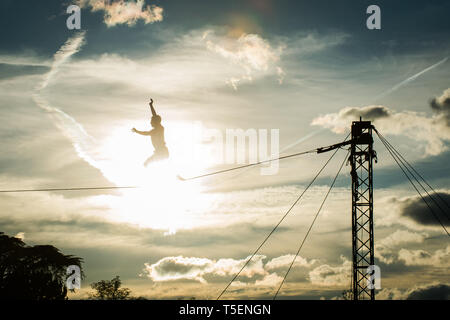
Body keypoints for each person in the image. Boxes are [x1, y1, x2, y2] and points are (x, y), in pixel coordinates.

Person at [132, 99, 169, 166]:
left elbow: (145, 133)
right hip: (160, 152)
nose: (150, 122)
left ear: (155, 122)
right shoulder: (158, 129)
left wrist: (137, 131)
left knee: (147, 163)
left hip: (161, 152)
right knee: (148, 163)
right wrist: (151, 105)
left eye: (151, 121)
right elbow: (154, 115)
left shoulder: (157, 130)